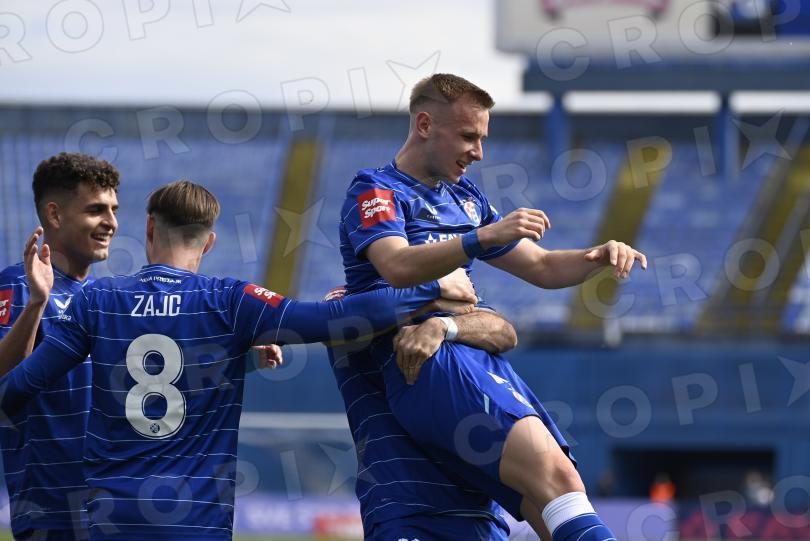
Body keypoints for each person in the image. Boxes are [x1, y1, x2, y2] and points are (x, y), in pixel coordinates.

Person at [0, 180, 475, 540]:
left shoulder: (98, 300)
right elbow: (336, 319)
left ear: (149, 228)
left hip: (111, 517)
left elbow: (15, 390)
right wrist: (430, 288)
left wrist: (38, 304)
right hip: (196, 519)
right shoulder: (229, 301)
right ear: (208, 242)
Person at [339, 73, 647, 541]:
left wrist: (596, 257)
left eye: (482, 138)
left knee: (550, 503)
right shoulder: (376, 190)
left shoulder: (465, 199)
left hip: (473, 357)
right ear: (425, 124)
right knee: (558, 480)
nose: (478, 152)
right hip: (434, 366)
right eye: (468, 136)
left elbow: (542, 267)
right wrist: (480, 238)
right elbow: (397, 265)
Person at [316, 286, 520, 538]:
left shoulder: (445, 288)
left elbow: (505, 333)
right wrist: (433, 303)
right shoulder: (348, 295)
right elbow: (341, 325)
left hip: (479, 510)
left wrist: (443, 325)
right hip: (404, 507)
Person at [0, 152, 120, 540]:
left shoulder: (105, 297)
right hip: (52, 513)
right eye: (96, 210)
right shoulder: (17, 285)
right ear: (54, 214)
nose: (111, 222)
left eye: (114, 210)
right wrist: (37, 303)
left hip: (113, 504)